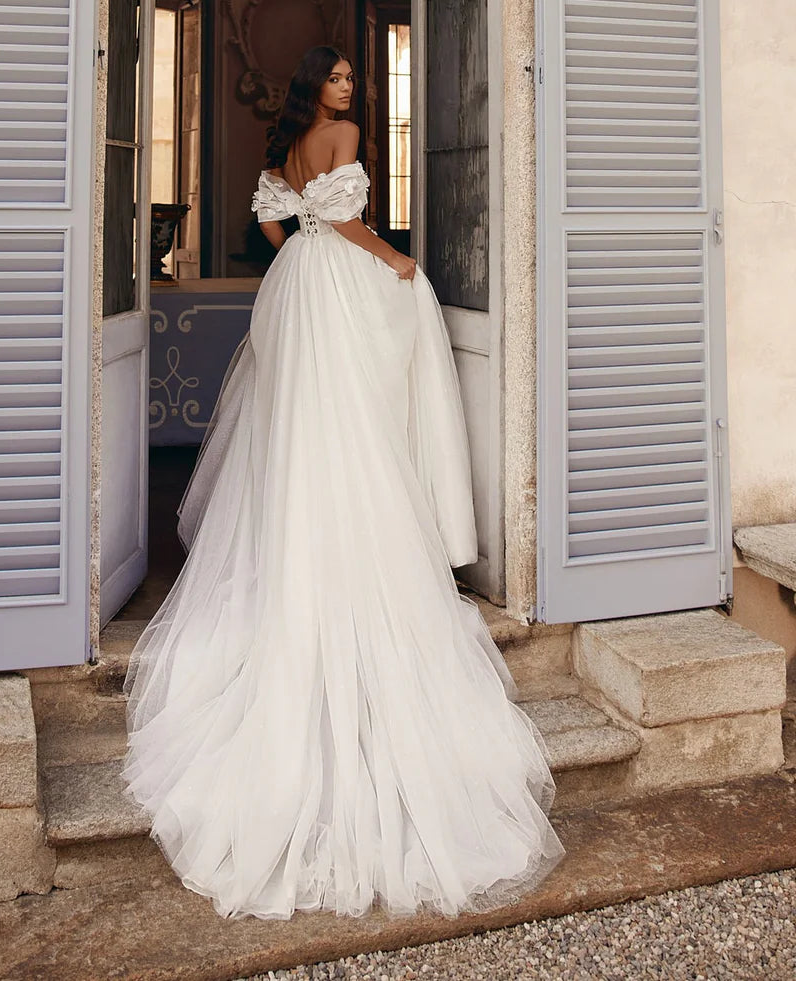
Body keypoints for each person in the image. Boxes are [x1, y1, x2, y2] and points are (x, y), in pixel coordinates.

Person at [122, 45, 565, 921]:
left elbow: (272, 220)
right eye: (338, 77)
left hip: (294, 284)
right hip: (335, 280)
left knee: (296, 425)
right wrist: (391, 260)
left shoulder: (288, 143)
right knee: (355, 417)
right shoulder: (347, 137)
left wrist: (306, 250)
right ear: (317, 88)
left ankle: (303, 546)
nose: (350, 89)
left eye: (353, 80)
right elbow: (355, 225)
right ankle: (360, 551)